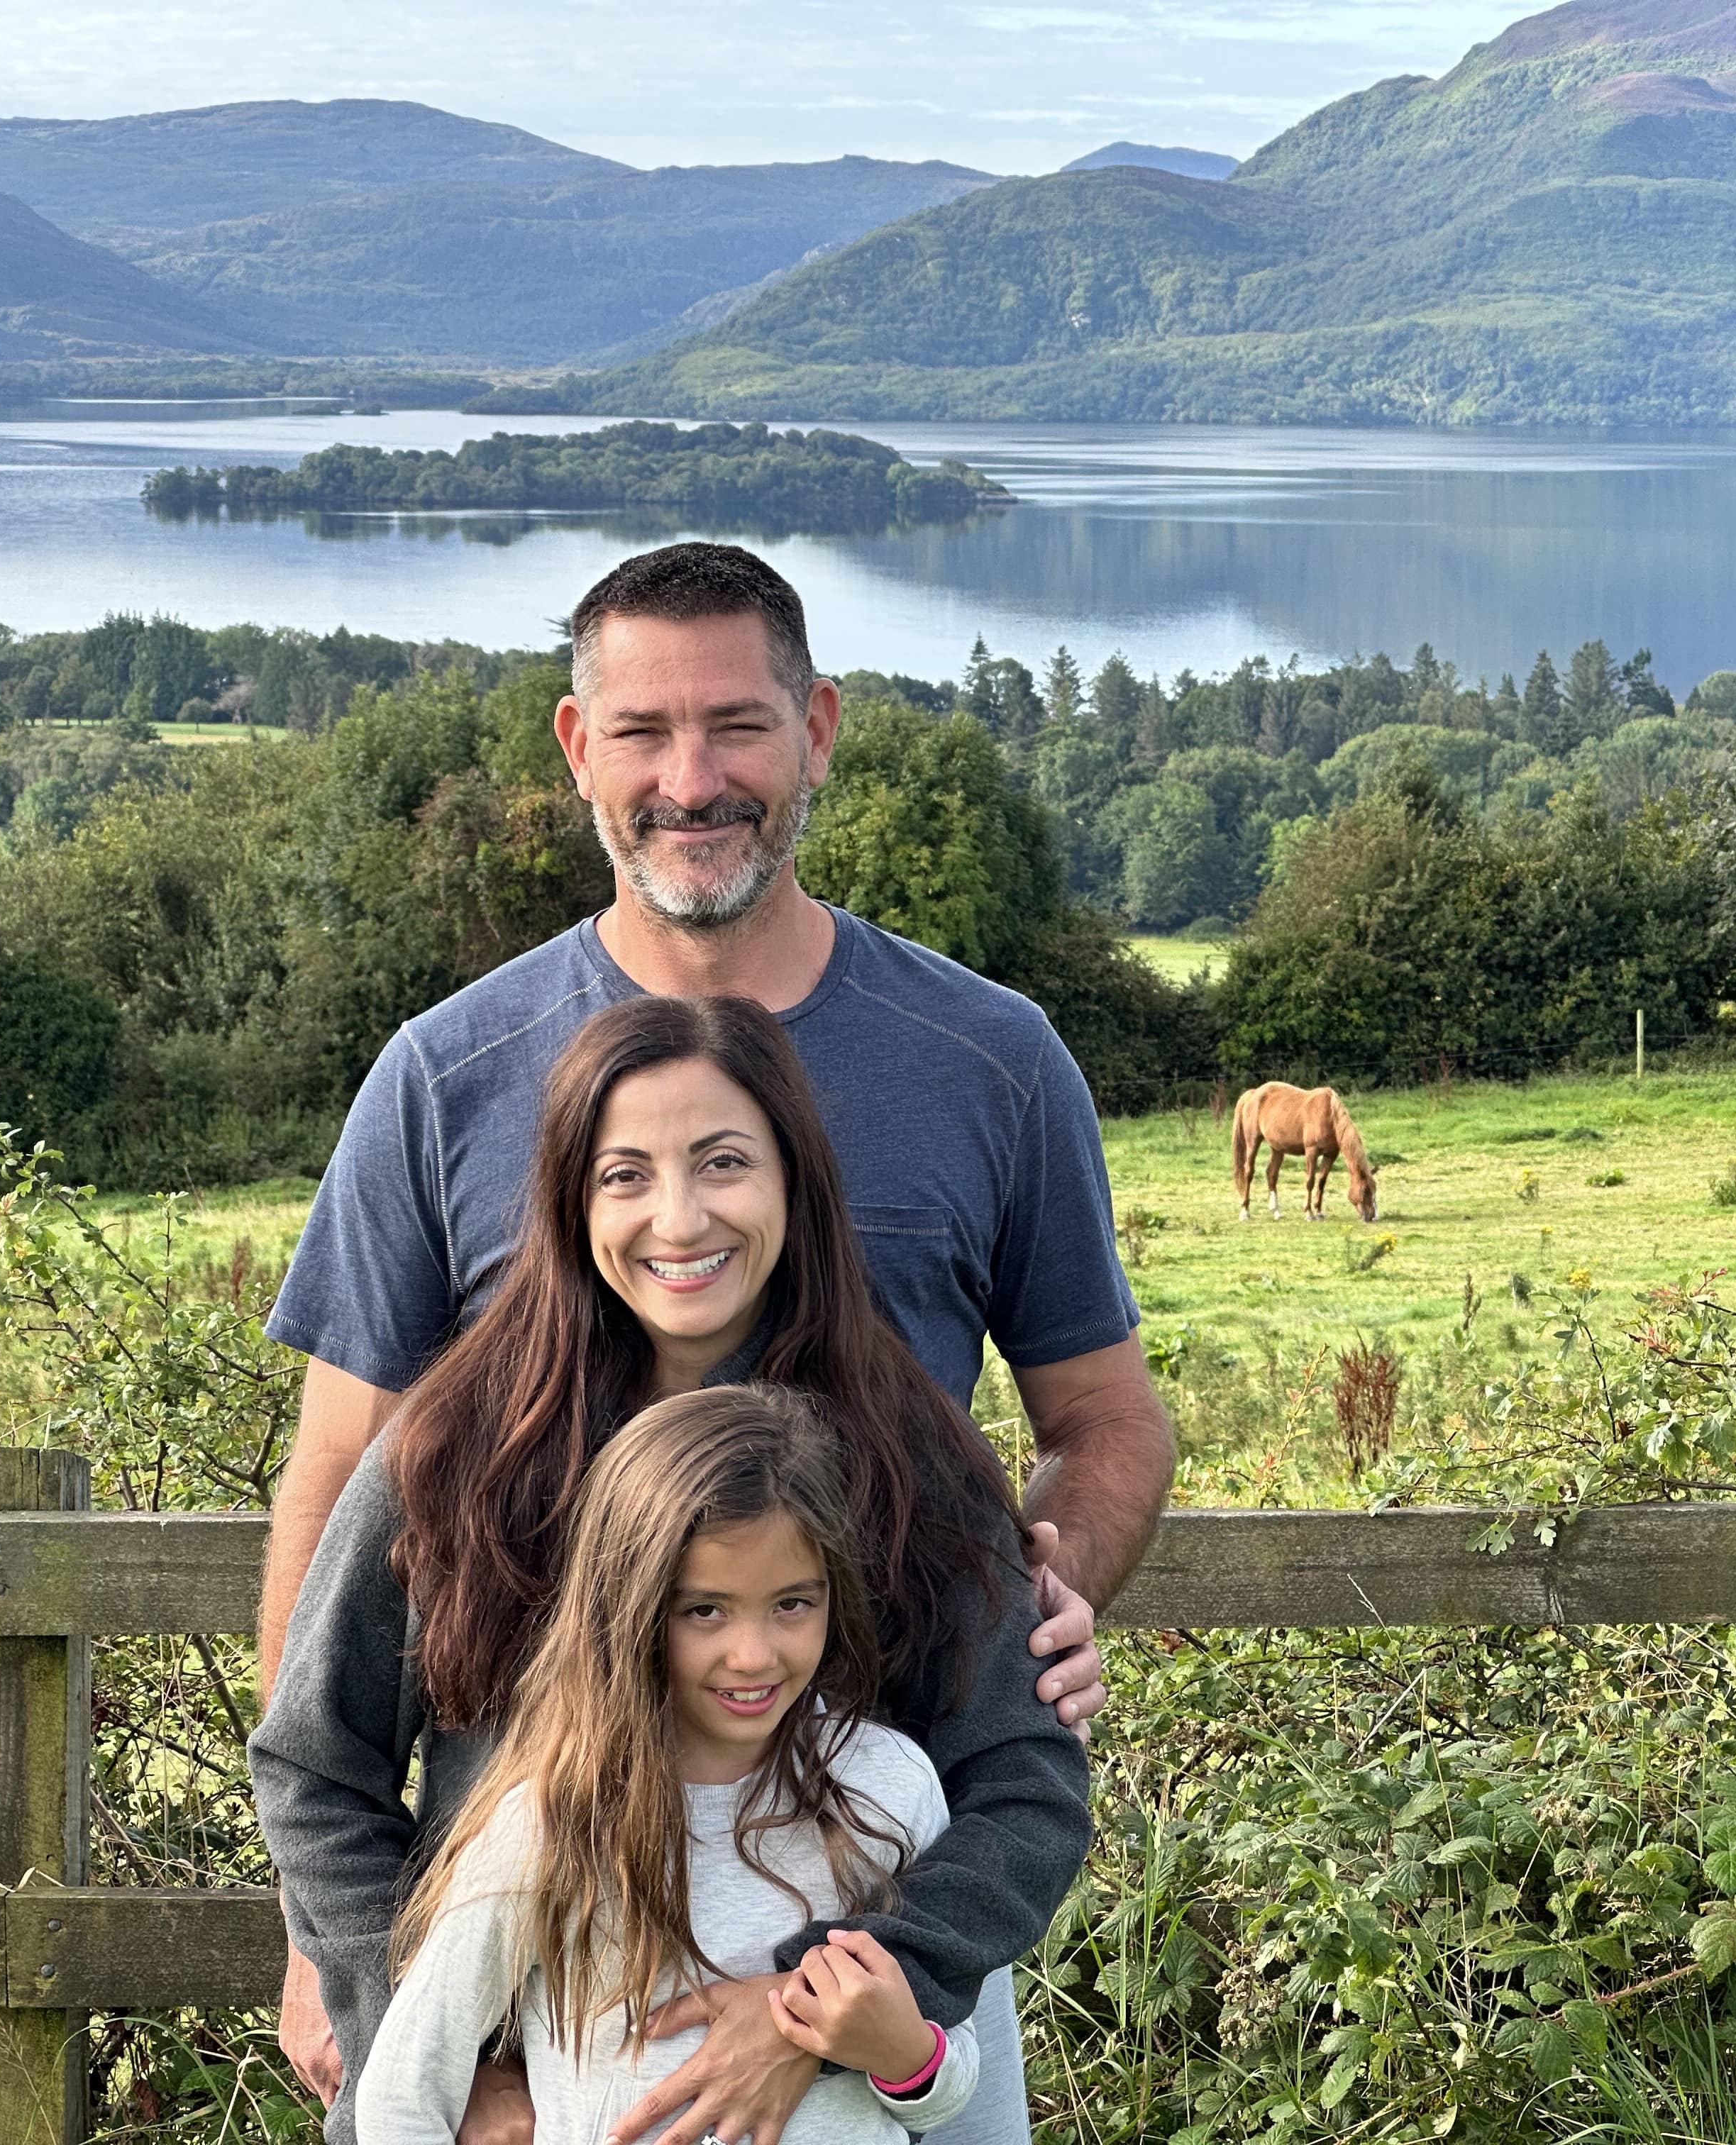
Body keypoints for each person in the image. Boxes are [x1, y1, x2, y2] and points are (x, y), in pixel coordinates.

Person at [256, 542, 1177, 2139]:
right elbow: (338, 1514)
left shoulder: (990, 1059)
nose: (694, 779)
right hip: (502, 1972)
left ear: (817, 727)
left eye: (738, 726)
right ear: (576, 748)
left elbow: (1107, 1424)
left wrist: (1042, 1595)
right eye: (644, 734)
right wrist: (362, 1976)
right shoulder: (439, 1074)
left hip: (861, 1926)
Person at [251, 996, 1093, 2145]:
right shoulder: (451, 1450)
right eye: (626, 1173)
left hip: (865, 2077)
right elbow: (314, 1763)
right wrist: (444, 2058)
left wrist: (831, 1996)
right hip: (542, 2084)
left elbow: (1022, 1776)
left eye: (724, 1161)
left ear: (794, 1182)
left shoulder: (906, 1453)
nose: (679, 1214)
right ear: (567, 1196)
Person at [356, 1383, 988, 2145]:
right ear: (628, 1610)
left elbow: (950, 2077)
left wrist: (904, 2054)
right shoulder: (555, 1820)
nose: (754, 1655)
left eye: (793, 1603)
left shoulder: (889, 1787)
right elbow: (404, 2092)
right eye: (705, 1611)